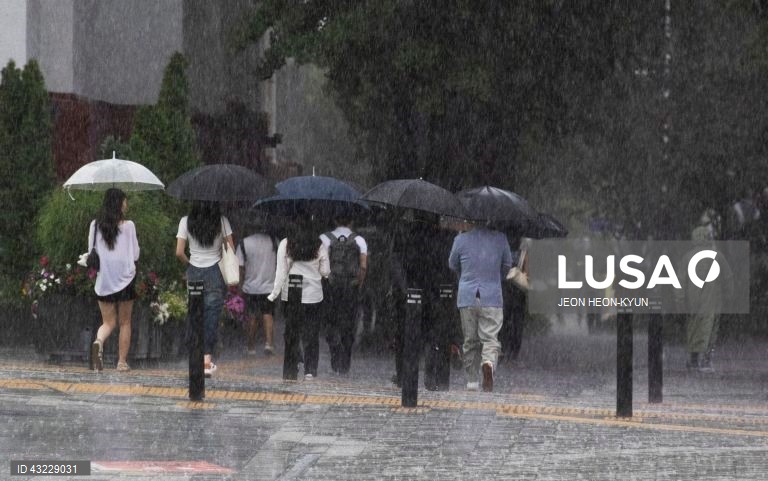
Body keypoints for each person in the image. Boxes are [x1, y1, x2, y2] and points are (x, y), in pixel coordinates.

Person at [449, 223, 513, 392]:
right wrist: (495, 279)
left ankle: (471, 380)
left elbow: (452, 264)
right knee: (490, 338)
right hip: (492, 295)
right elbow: (507, 264)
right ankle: (488, 362)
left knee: (470, 339)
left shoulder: (460, 239)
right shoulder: (501, 239)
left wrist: (464, 277)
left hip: (467, 295)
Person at [175, 201, 234, 377]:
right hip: (215, 272)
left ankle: (194, 356)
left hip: (194, 271)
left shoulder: (185, 221)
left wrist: (190, 265)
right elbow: (230, 248)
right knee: (211, 317)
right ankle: (206, 360)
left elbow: (179, 252)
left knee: (195, 315)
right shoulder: (222, 221)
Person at [268, 217, 330, 380]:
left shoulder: (286, 244)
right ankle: (310, 370)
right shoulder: (319, 245)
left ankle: (292, 364)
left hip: (291, 295)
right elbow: (325, 271)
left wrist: (274, 293)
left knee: (292, 330)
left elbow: (281, 272)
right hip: (314, 296)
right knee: (311, 333)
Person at [89, 188, 140, 373]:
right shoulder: (129, 226)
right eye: (124, 201)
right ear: (119, 203)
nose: (126, 204)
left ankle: (98, 342)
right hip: (126, 279)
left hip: (105, 281)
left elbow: (91, 251)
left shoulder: (95, 225)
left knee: (108, 323)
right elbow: (135, 254)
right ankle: (121, 362)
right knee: (125, 322)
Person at [320, 215, 368, 374]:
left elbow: (321, 264)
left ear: (335, 220)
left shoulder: (325, 238)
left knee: (330, 320)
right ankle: (345, 359)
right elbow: (363, 266)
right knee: (349, 322)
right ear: (351, 221)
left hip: (331, 287)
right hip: (351, 288)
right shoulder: (359, 240)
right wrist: (358, 284)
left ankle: (334, 349)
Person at [236, 229, 277, 355]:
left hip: (250, 287)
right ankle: (269, 344)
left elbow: (240, 267)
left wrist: (240, 286)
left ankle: (251, 347)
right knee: (268, 314)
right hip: (270, 286)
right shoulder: (274, 241)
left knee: (252, 316)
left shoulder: (244, 243)